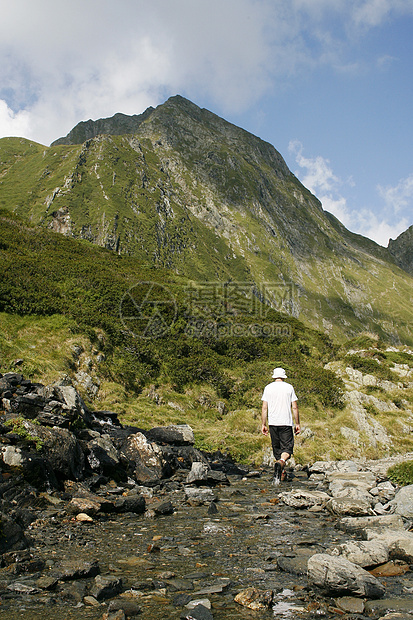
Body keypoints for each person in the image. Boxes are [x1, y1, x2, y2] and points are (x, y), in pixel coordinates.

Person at [261, 367, 300, 485]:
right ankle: (281, 462)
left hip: (273, 422)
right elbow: (294, 407)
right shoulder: (289, 387)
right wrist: (297, 423)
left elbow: (264, 407)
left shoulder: (268, 388)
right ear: (284, 376)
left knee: (277, 448)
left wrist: (263, 424)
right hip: (286, 422)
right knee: (287, 448)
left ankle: (280, 474)